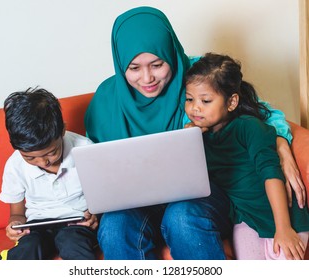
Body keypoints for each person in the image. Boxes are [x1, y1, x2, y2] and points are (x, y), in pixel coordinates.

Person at [84, 6, 305, 259]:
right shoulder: (105, 101)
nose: (147, 78)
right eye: (134, 68)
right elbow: (97, 169)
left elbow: (261, 112)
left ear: (170, 53)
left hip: (200, 198)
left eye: (157, 64)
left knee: (182, 216)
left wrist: (281, 144)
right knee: (114, 226)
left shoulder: (194, 76)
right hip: (136, 204)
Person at [184, 52, 309, 260]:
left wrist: (284, 228)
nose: (195, 107)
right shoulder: (198, 136)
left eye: (205, 101)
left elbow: (271, 174)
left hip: (282, 218)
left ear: (231, 102)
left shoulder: (249, 127)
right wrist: (188, 140)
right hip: (246, 220)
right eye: (189, 99)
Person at [0, 88, 98, 260]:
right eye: (30, 157)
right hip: (37, 225)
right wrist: (15, 223)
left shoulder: (85, 149)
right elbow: (17, 214)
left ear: (63, 131)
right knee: (29, 246)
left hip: (76, 223)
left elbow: (100, 197)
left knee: (73, 244)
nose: (43, 162)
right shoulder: (15, 165)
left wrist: (94, 214)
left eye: (51, 153)